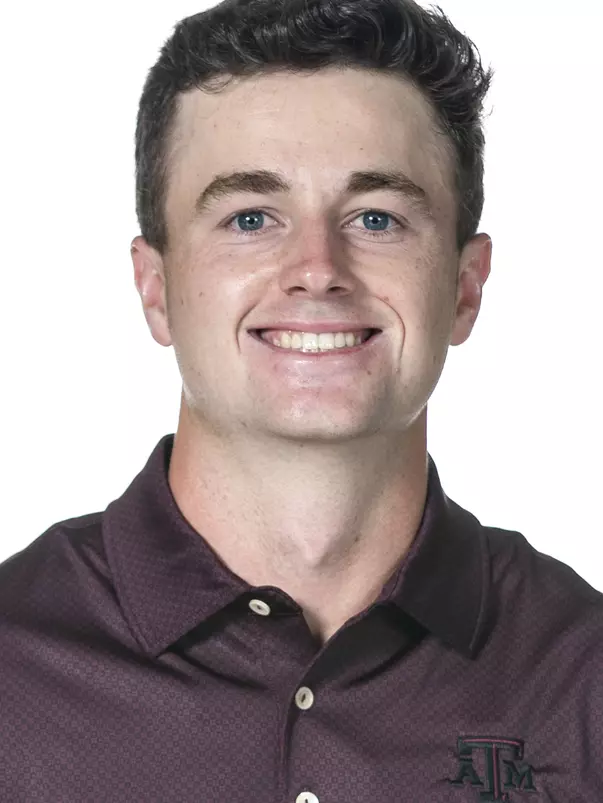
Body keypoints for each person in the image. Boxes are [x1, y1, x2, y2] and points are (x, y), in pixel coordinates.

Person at [1, 0, 601, 800]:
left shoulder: (579, 672)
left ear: (464, 287)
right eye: (250, 218)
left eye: (377, 218)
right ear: (154, 289)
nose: (317, 268)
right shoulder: (11, 669)